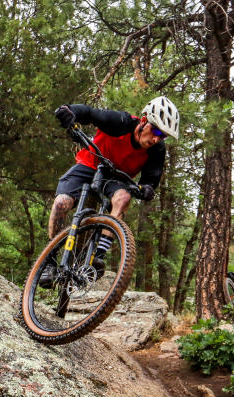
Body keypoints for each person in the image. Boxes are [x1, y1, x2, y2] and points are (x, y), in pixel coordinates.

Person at [45, 97, 180, 284]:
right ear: (143, 120)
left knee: (123, 198)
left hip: (116, 177)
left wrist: (148, 189)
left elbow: (151, 178)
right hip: (90, 163)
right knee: (61, 203)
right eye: (155, 129)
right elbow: (90, 113)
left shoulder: (156, 149)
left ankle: (98, 257)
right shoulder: (121, 122)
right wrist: (69, 110)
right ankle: (49, 262)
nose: (157, 138)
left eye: (163, 135)